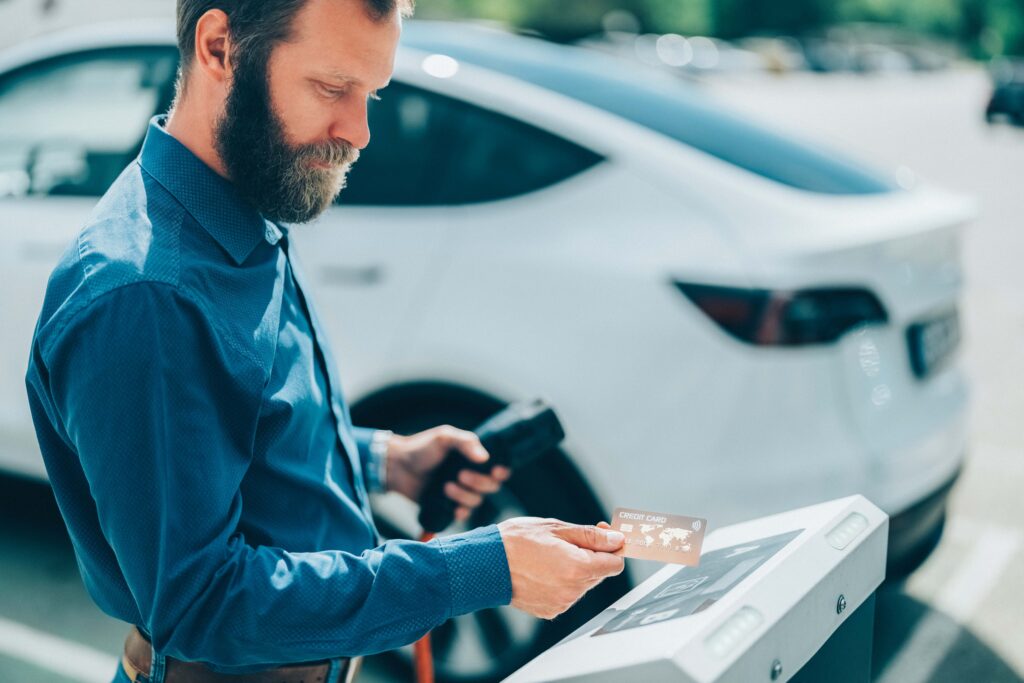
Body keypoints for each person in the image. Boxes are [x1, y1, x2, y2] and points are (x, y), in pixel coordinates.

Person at [23, 1, 626, 681]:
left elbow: (240, 427)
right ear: (220, 47)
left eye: (371, 93)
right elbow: (202, 604)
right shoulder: (146, 295)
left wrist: (385, 460)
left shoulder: (243, 201)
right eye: (333, 88)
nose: (360, 132)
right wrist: (481, 570)